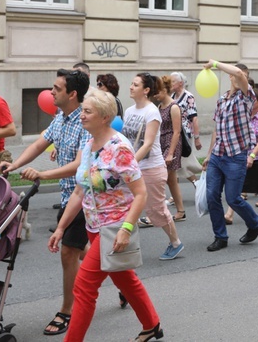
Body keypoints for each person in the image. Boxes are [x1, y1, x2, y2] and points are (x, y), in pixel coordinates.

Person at [49, 90, 162, 342]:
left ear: (104, 117)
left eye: (88, 111)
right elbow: (80, 191)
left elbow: (141, 193)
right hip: (94, 226)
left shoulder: (120, 148)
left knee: (85, 287)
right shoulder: (89, 146)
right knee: (125, 280)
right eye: (83, 110)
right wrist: (61, 228)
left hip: (113, 229)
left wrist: (126, 228)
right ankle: (152, 324)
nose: (82, 116)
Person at [0, 68, 91, 335]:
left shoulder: (84, 120)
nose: (51, 92)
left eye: (56, 88)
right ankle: (118, 278)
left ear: (72, 94)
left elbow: (79, 165)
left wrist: (42, 174)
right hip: (66, 196)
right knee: (83, 251)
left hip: (84, 197)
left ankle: (67, 311)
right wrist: (15, 165)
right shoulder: (60, 117)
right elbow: (40, 144)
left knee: (68, 252)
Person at [202, 60, 258, 252]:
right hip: (218, 155)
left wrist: (214, 63)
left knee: (233, 199)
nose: (239, 77)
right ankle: (220, 237)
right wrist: (208, 154)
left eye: (243, 76)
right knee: (212, 196)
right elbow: (217, 130)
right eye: (236, 75)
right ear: (229, 77)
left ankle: (255, 223)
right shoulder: (222, 99)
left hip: (236, 155)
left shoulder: (247, 97)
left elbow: (238, 72)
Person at [122, 73, 183, 260]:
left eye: (135, 84)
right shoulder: (129, 111)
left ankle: (176, 243)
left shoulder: (152, 112)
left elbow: (148, 143)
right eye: (131, 83)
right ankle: (123, 244)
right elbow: (127, 140)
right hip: (134, 167)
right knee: (123, 205)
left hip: (151, 167)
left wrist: (129, 164)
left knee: (156, 211)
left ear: (146, 90)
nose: (131, 87)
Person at [225, 88, 258, 223]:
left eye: (252, 100)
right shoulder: (244, 115)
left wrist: (253, 155)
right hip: (243, 154)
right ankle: (229, 214)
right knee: (238, 185)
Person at [155, 75, 186, 223]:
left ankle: (159, 211)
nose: (155, 95)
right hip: (161, 142)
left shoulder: (174, 107)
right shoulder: (159, 106)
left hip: (171, 143)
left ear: (166, 90)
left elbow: (177, 131)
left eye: (158, 91)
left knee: (162, 178)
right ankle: (181, 210)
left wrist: (171, 153)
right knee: (171, 180)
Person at [171, 71, 203, 185]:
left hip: (185, 135)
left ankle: (198, 185)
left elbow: (194, 118)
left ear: (180, 83)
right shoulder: (172, 97)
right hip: (175, 134)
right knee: (176, 165)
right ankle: (176, 195)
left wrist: (197, 138)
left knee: (182, 165)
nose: (171, 83)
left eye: (173, 81)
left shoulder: (188, 96)